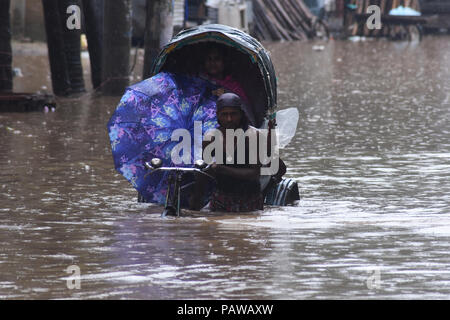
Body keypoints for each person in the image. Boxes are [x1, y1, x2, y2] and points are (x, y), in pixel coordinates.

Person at [190, 93, 264, 212]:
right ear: (218, 116)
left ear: (241, 114)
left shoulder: (252, 136)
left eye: (233, 114)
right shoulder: (211, 138)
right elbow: (205, 173)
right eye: (224, 115)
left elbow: (255, 173)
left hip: (249, 199)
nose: (229, 119)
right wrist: (196, 198)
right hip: (221, 198)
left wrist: (222, 169)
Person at [200, 44, 251, 108]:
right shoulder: (198, 81)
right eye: (209, 59)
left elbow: (244, 107)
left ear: (224, 62)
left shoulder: (233, 86)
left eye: (217, 59)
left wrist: (226, 94)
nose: (212, 63)